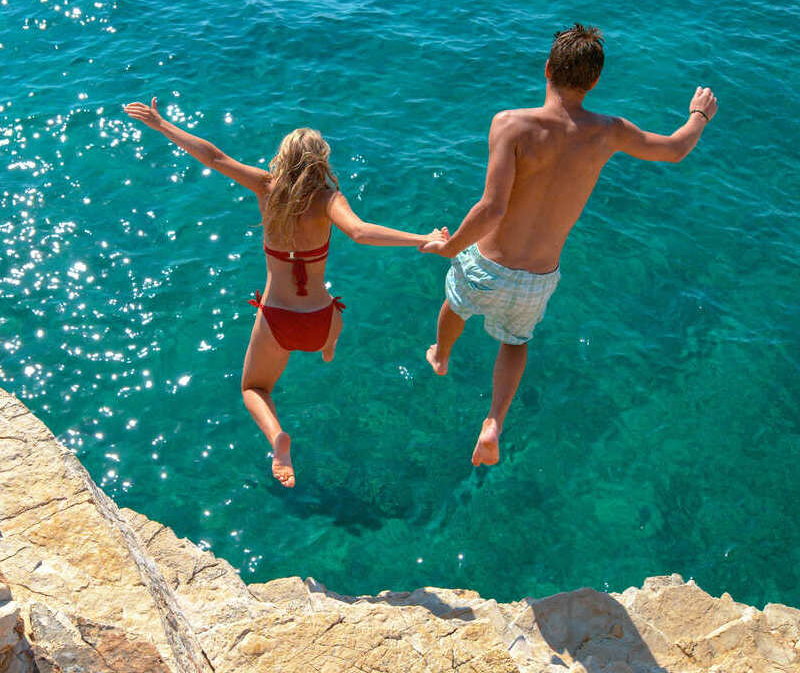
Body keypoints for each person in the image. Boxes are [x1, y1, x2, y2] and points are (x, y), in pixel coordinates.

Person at [420, 24, 718, 467]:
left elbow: (491, 208)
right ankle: (494, 422)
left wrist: (451, 247)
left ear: (546, 68)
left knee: (455, 302)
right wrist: (699, 115)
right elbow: (675, 149)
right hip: (539, 276)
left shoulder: (511, 124)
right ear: (594, 81)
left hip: (489, 262)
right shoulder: (609, 131)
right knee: (515, 342)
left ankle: (441, 356)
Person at [123, 98, 445, 487]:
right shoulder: (329, 200)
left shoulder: (266, 187)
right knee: (334, 307)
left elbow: (215, 157)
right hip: (320, 320)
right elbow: (361, 232)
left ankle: (278, 438)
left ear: (284, 158)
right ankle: (328, 347)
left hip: (278, 320)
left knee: (253, 388)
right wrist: (422, 239)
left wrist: (162, 125)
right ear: (320, 162)